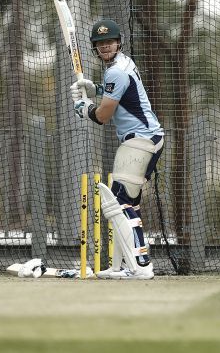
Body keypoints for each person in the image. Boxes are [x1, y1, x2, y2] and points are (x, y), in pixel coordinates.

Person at [70, 19, 164, 280]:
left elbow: (102, 116)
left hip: (140, 141)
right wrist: (96, 89)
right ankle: (122, 267)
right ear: (95, 48)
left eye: (110, 41)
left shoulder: (116, 72)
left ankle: (141, 266)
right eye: (101, 44)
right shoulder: (124, 64)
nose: (106, 46)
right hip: (143, 139)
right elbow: (123, 95)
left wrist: (83, 108)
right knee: (125, 202)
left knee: (120, 203)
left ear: (119, 42)